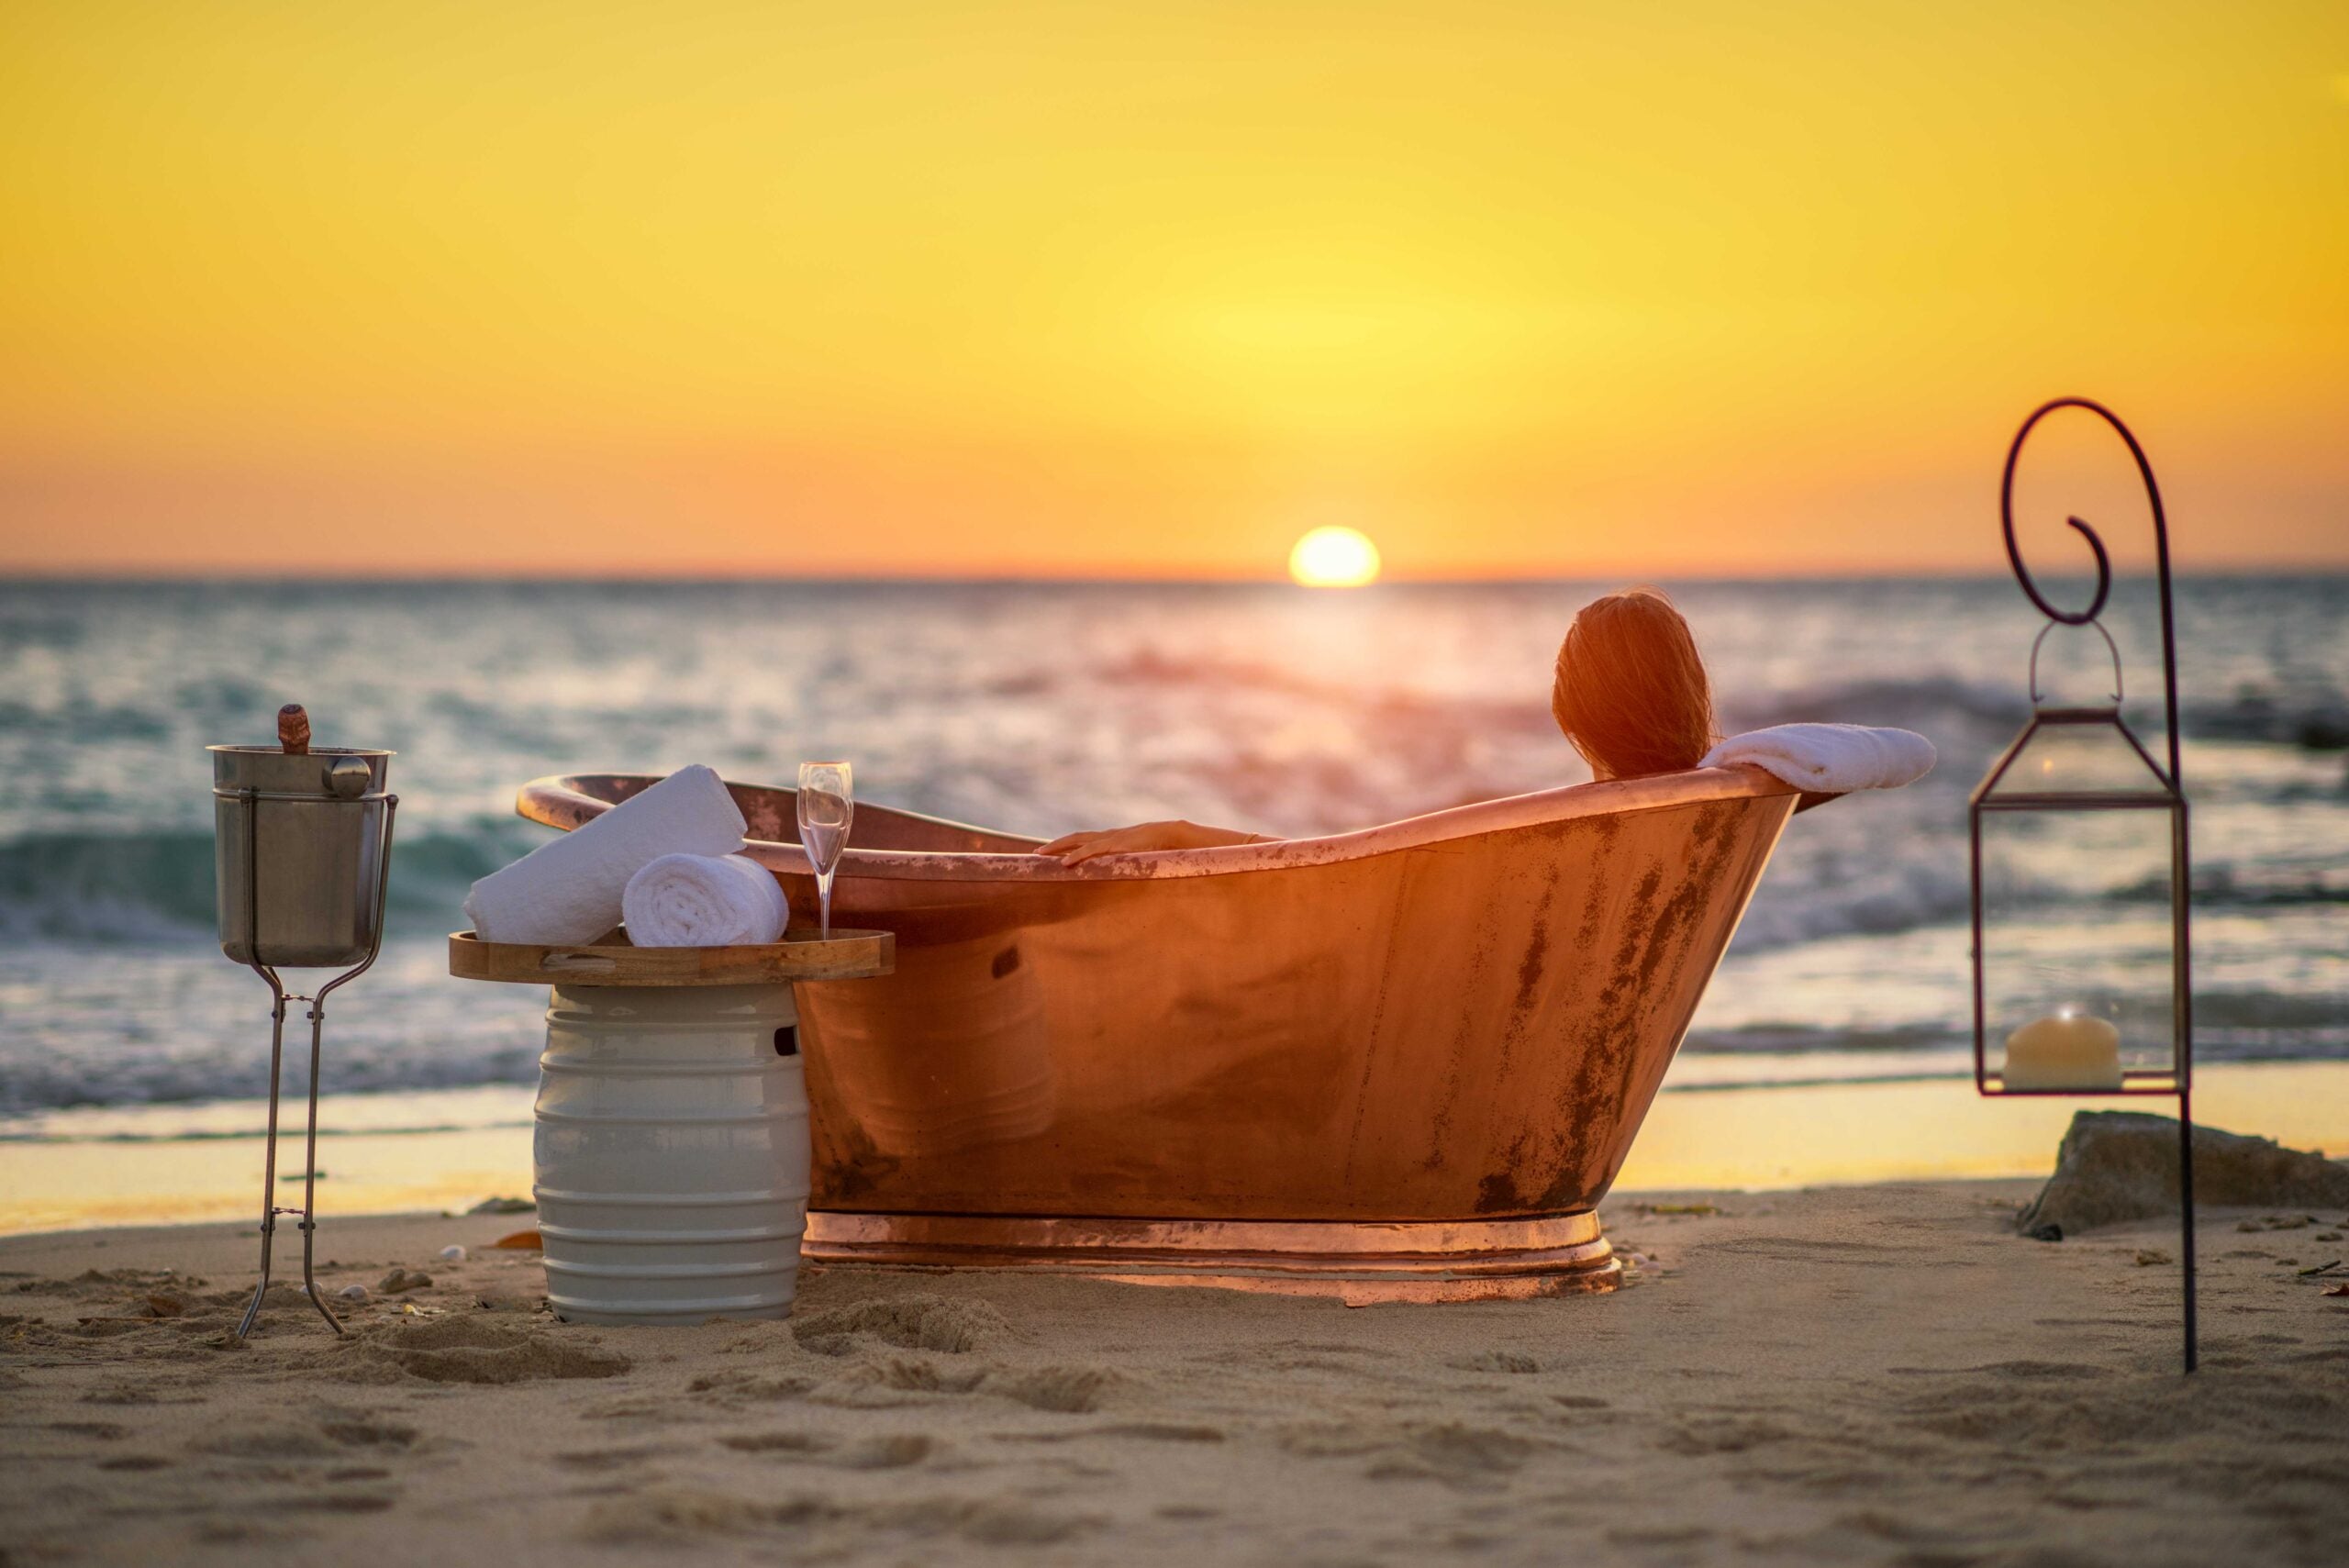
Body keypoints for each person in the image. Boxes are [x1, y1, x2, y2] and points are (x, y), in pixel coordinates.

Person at [1036, 587, 1719, 864]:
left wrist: (1182, 835)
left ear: (1572, 707)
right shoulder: (1725, 806)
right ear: (1690, 690)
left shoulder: (1559, 833)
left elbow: (1346, 872)